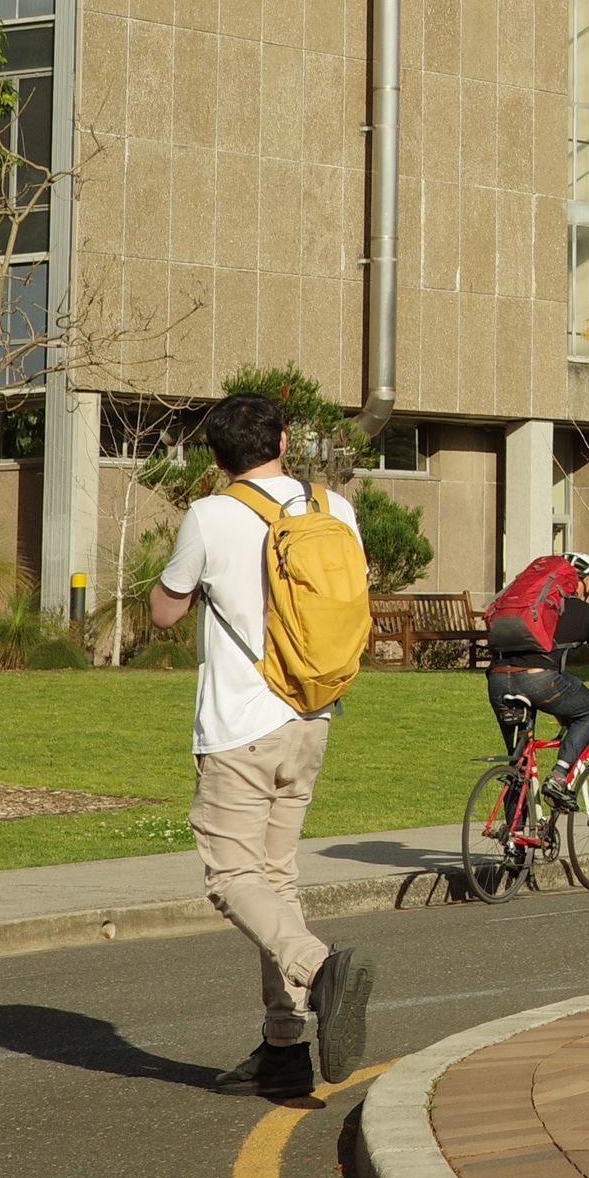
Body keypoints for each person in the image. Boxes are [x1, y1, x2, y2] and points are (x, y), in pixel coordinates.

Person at [150, 392, 376, 1098]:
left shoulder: (212, 514)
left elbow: (164, 611)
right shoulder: (333, 508)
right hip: (314, 712)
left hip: (241, 725)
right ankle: (284, 1047)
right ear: (284, 437)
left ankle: (318, 967)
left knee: (230, 876)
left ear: (215, 456)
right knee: (275, 881)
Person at [483, 550, 589, 804]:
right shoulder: (586, 613)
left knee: (518, 763)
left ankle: (515, 836)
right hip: (538, 681)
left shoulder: (530, 606)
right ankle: (559, 776)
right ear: (582, 580)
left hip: (497, 681)